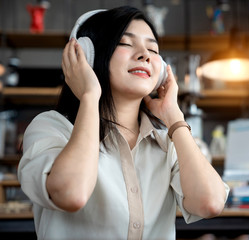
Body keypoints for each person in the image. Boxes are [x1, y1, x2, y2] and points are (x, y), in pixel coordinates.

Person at [18, 6, 229, 240]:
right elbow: (71, 194)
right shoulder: (51, 128)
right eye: (127, 43)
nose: (145, 55)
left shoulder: (167, 143)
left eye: (152, 49)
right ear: (88, 55)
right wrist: (89, 96)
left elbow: (210, 203)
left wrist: (174, 117)